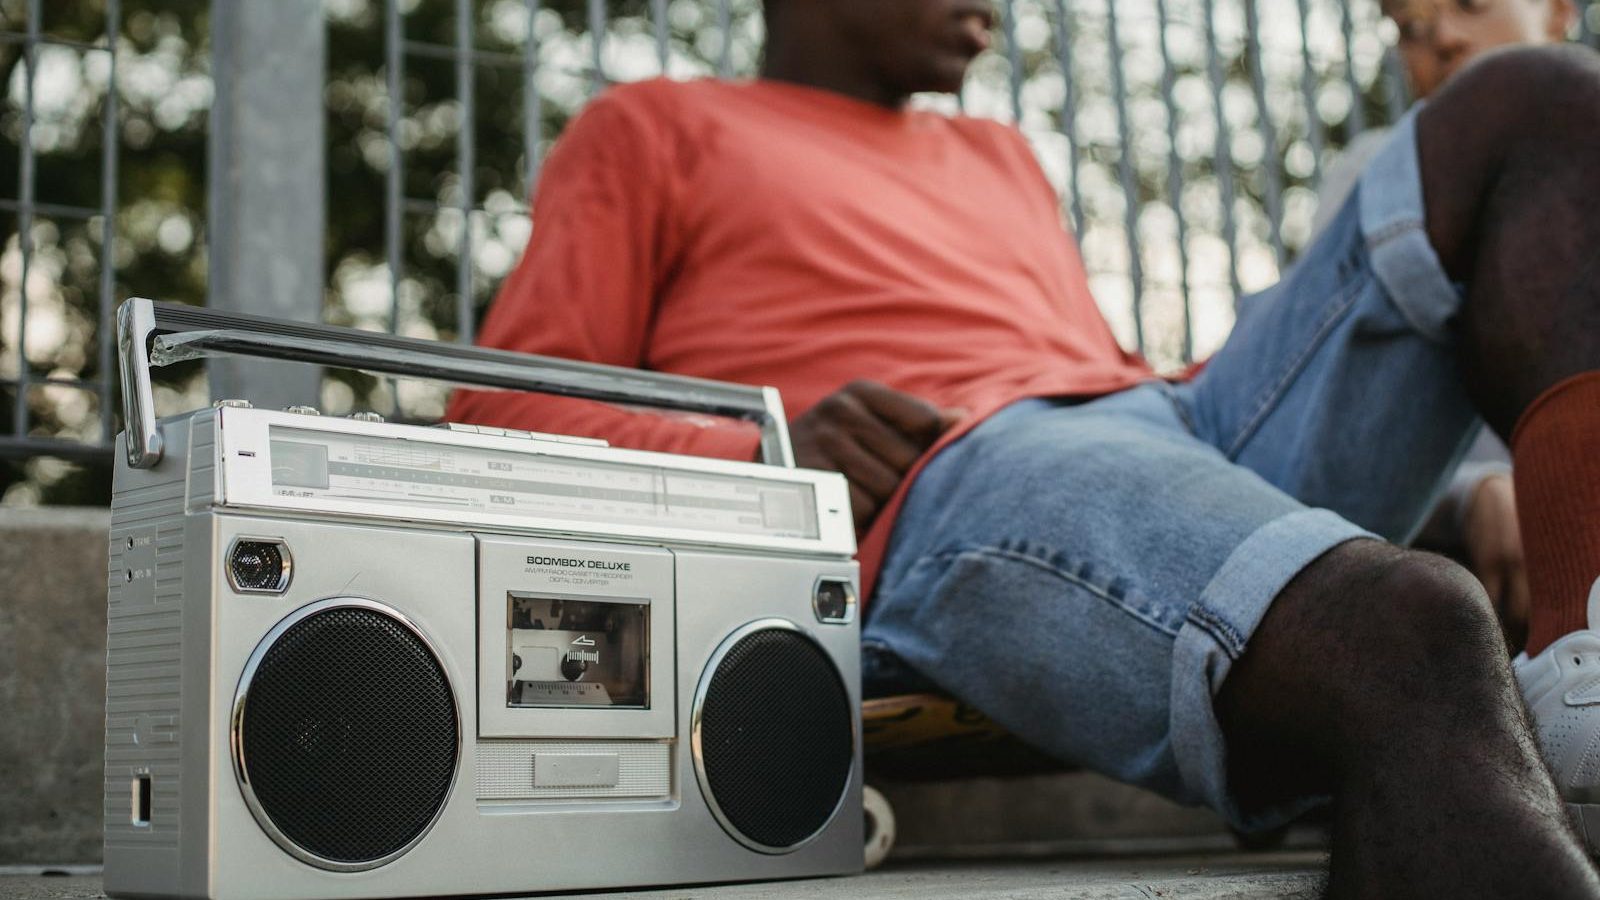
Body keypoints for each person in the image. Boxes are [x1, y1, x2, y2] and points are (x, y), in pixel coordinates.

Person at [447, 1, 1600, 894]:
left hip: (1156, 421)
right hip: (943, 480)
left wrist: (1460, 500)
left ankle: (1585, 673)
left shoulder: (1000, 154)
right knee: (1411, 631)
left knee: (1536, 100)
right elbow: (498, 418)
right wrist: (766, 447)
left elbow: (1092, 385)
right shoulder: (650, 129)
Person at [1311, 0, 1579, 650]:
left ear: (1558, 11)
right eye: (1410, 29)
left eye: (1471, 4)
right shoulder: (1375, 176)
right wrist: (1470, 493)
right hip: (1470, 574)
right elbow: (1331, 427)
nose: (1446, 37)